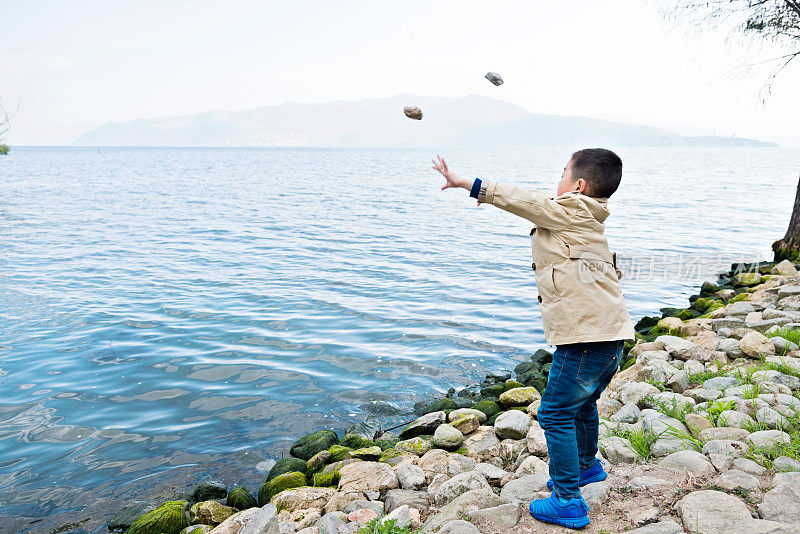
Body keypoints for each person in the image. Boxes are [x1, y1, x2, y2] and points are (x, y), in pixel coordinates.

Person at [431, 149, 635, 529]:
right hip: (610, 339)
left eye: (561, 175)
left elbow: (525, 200)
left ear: (578, 186)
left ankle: (568, 501)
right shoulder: (589, 222)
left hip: (585, 342)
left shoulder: (571, 209)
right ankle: (587, 467)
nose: (555, 184)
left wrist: (469, 185)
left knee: (555, 413)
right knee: (583, 404)